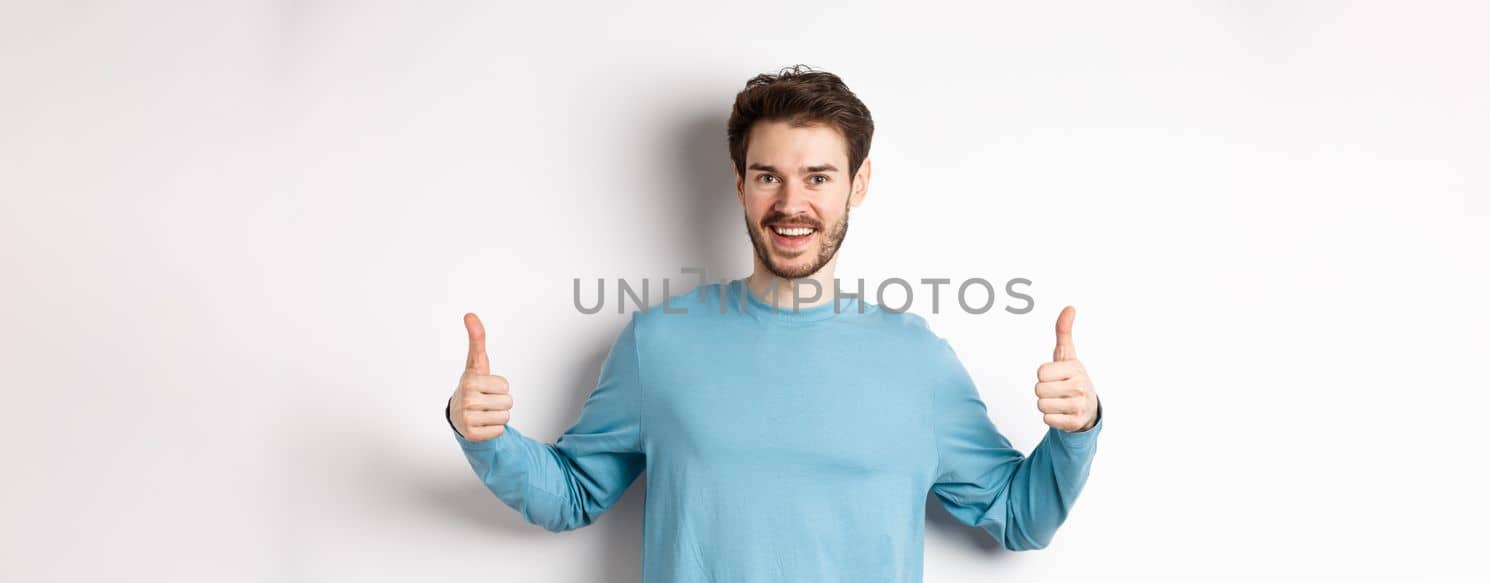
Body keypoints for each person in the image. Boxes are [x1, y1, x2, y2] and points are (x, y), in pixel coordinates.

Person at [445, 64, 1103, 582]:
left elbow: (1021, 515)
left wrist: (1076, 429)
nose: (792, 204)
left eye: (818, 176)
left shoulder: (917, 361)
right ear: (738, 183)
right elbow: (572, 493)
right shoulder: (660, 343)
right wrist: (486, 436)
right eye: (769, 176)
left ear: (859, 183)